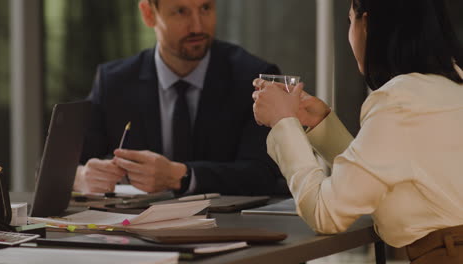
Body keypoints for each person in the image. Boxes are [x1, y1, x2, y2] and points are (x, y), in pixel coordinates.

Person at [252, 0, 463, 263]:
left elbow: (326, 213)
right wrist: (321, 125)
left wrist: (283, 123)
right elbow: (389, 174)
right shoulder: (451, 85)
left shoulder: (397, 101)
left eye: (350, 20)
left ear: (367, 23)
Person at [73, 0, 282, 196]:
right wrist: (82, 177)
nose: (198, 27)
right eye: (181, 11)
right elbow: (58, 167)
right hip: (135, 229)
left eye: (206, 8)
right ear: (148, 14)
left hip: (228, 229)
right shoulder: (114, 82)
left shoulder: (252, 79)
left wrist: (181, 176)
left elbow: (264, 174)